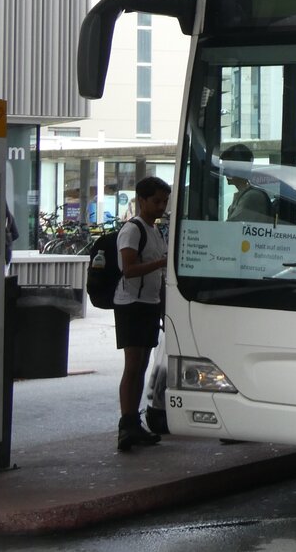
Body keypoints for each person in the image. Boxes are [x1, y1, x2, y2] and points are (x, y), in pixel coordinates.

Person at [114, 175, 171, 451]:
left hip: (148, 304)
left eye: (164, 201)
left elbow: (157, 276)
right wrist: (161, 262)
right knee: (133, 366)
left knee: (142, 366)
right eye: (156, 201)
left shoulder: (155, 230)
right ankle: (126, 424)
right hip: (131, 305)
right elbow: (128, 268)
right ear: (141, 200)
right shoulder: (133, 230)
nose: (161, 207)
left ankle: (133, 423)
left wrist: (162, 308)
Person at [221, 143, 274, 223]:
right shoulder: (245, 194)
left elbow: (231, 228)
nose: (224, 173)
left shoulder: (252, 197)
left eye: (227, 168)